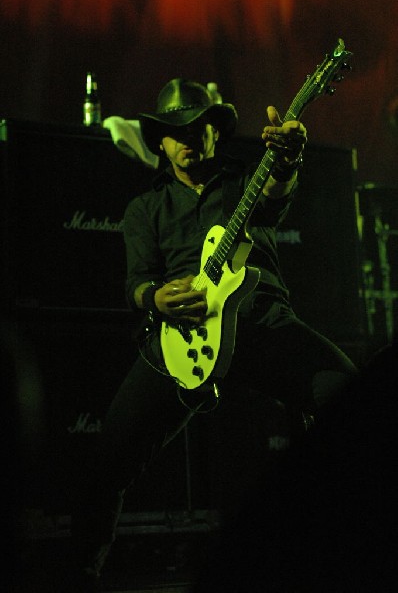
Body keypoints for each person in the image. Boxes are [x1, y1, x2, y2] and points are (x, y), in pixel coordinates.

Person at [67, 78, 357, 592]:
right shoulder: (145, 209)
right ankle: (79, 575)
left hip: (259, 320)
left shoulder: (243, 184)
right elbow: (135, 285)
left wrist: (286, 162)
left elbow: (272, 199)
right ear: (159, 142)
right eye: (174, 130)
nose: (187, 137)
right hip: (181, 338)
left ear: (214, 134)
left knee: (348, 395)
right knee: (107, 465)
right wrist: (154, 298)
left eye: (197, 126)